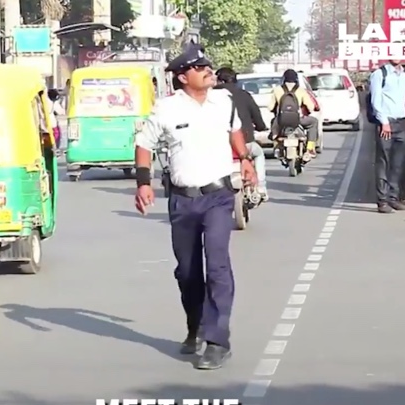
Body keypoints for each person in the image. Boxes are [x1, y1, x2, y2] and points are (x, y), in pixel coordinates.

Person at [134, 45, 257, 370]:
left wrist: (245, 160)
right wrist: (143, 183)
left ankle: (218, 340)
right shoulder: (166, 109)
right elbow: (144, 144)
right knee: (188, 271)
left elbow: (235, 132)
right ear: (183, 76)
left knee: (217, 266)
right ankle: (196, 326)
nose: (207, 70)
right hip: (183, 200)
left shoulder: (223, 102)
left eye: (207, 65)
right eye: (199, 66)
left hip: (218, 196)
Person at [215, 67, 269, 201]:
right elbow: (256, 115)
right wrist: (261, 127)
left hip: (219, 144)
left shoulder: (211, 96)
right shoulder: (244, 95)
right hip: (246, 143)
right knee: (259, 154)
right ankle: (261, 187)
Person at [370, 58, 405, 213]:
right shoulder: (380, 74)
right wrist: (383, 121)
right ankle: (382, 201)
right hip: (386, 122)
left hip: (401, 121)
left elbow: (404, 96)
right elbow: (375, 100)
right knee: (383, 161)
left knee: (398, 162)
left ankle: (394, 198)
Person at [268, 69, 319, 161]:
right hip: (298, 119)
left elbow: (270, 108)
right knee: (314, 122)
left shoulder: (277, 90)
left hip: (281, 120)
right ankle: (310, 148)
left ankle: (277, 146)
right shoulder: (301, 90)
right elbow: (310, 107)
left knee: (273, 125)